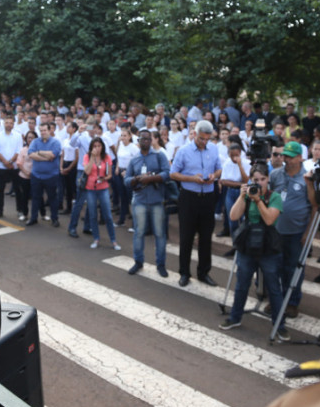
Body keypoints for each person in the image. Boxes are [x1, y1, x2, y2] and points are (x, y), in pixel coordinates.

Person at [220, 164, 290, 341]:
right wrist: (242, 196)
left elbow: (269, 219)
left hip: (268, 245)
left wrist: (258, 200)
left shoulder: (274, 197)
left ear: (268, 179)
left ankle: (279, 325)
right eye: (255, 180)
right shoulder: (247, 195)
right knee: (242, 283)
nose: (259, 183)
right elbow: (233, 216)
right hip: (248, 244)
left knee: (274, 287)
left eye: (262, 179)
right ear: (250, 180)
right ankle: (235, 317)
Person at [171, 120, 222, 287]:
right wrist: (191, 178)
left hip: (208, 197)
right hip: (189, 198)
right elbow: (173, 174)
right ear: (194, 134)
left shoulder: (214, 149)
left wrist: (214, 176)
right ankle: (184, 272)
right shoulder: (183, 151)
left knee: (206, 237)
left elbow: (219, 169)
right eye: (201, 138)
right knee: (186, 237)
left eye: (207, 139)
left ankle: (203, 272)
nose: (204, 142)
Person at [269, 141, 316, 318]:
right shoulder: (275, 174)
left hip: (296, 232)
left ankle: (292, 302)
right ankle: (276, 300)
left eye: (290, 157)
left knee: (294, 268)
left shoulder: (307, 178)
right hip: (276, 230)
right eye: (284, 156)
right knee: (275, 267)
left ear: (300, 158)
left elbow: (314, 206)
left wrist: (308, 233)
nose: (286, 159)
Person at [125, 129, 170, 276]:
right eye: (142, 139)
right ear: (138, 141)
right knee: (139, 233)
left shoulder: (159, 156)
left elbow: (167, 173)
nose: (145, 141)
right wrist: (136, 179)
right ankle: (138, 262)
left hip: (157, 200)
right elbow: (126, 180)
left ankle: (161, 264)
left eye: (147, 139)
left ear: (151, 141)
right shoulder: (134, 159)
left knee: (160, 234)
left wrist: (151, 178)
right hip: (140, 200)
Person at [83, 137, 119, 250]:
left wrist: (104, 178)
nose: (97, 148)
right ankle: (96, 238)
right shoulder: (87, 156)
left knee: (107, 215)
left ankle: (113, 240)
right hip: (90, 189)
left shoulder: (106, 157)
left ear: (102, 147)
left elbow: (109, 174)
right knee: (93, 214)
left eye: (99, 146)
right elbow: (87, 171)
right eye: (95, 146)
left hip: (103, 188)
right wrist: (92, 157)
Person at [27, 121, 62, 227]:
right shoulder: (35, 141)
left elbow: (53, 155)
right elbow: (30, 154)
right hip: (36, 175)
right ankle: (33, 218)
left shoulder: (56, 142)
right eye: (41, 130)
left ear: (50, 130)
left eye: (45, 130)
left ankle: (54, 219)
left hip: (51, 176)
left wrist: (39, 152)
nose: (43, 132)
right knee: (35, 198)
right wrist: (46, 157)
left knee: (52, 198)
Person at [0, 116, 23, 219]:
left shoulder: (18, 136)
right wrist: (5, 162)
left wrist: (10, 162)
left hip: (14, 167)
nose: (9, 124)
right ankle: (0, 210)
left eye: (11, 123)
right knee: (0, 190)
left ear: (13, 124)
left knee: (17, 189)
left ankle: (20, 210)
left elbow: (19, 151)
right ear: (4, 123)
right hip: (1, 167)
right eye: (7, 122)